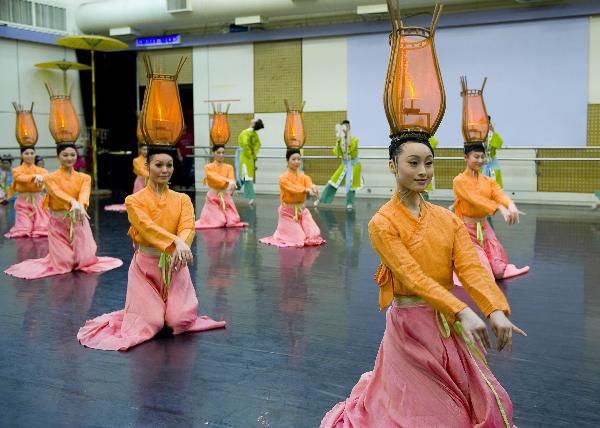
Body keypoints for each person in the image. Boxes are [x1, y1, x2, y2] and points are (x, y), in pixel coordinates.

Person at [320, 135, 526, 428]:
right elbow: (411, 275)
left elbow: (471, 268)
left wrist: (495, 310)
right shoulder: (382, 223)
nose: (423, 171)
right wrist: (462, 310)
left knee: (482, 400)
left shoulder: (446, 219)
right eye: (413, 163)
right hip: (410, 331)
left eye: (428, 164)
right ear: (392, 166)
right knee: (428, 413)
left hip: (446, 322)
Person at [77, 146, 226, 351]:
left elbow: (187, 226)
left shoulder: (182, 199)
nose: (165, 170)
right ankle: (151, 309)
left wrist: (181, 243)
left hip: (175, 265)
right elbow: (146, 227)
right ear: (147, 166)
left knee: (178, 321)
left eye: (169, 165)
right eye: (159, 165)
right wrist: (176, 242)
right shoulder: (134, 200)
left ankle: (168, 308)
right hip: (146, 268)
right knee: (153, 323)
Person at [4, 143, 123, 279]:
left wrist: (80, 204)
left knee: (85, 260)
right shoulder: (49, 177)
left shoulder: (84, 177)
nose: (69, 158)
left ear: (76, 156)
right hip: (58, 221)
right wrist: (72, 202)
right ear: (58, 156)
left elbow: (84, 192)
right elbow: (55, 192)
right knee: (64, 263)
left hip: (77, 218)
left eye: (72, 155)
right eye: (65, 155)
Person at [453, 143, 529, 279]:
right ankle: (457, 269)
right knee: (484, 275)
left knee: (499, 271)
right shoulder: (459, 181)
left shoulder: (488, 181)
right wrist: (499, 207)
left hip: (484, 228)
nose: (480, 160)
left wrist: (510, 205)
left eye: (483, 157)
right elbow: (475, 199)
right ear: (466, 158)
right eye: (476, 157)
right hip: (466, 230)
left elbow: (499, 194)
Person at [260, 149, 325, 248]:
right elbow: (293, 189)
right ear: (287, 160)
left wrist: (313, 188)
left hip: (301, 211)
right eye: (293, 159)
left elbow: (309, 183)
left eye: (299, 159)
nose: (297, 162)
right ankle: (281, 232)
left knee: (314, 234)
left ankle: (290, 230)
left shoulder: (304, 177)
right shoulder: (283, 178)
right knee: (300, 238)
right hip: (287, 213)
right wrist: (306, 190)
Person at [195, 144, 247, 229]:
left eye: (223, 153)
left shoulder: (229, 167)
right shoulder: (208, 167)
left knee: (233, 220)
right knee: (220, 221)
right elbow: (214, 176)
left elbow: (231, 179)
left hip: (225, 196)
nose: (221, 155)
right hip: (213, 197)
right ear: (213, 153)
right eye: (218, 152)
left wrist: (232, 185)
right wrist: (228, 181)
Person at [315, 120, 363, 210]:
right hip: (344, 164)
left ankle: (349, 203)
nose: (345, 129)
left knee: (350, 184)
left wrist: (346, 136)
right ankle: (321, 199)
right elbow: (337, 153)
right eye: (344, 127)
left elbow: (350, 147)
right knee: (333, 181)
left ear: (349, 128)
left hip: (354, 165)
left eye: (347, 127)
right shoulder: (340, 140)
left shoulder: (354, 139)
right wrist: (338, 141)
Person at [4, 146, 50, 238]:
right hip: (23, 202)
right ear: (22, 155)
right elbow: (20, 178)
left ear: (35, 154)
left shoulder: (43, 171)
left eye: (32, 153)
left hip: (38, 201)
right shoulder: (16, 170)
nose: (29, 155)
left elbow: (46, 177)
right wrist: (34, 177)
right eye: (26, 153)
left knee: (42, 227)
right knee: (24, 229)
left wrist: (41, 178)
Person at [104, 143, 149, 212]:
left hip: (149, 180)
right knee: (139, 196)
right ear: (140, 150)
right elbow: (140, 170)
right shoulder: (136, 160)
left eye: (146, 149)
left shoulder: (150, 160)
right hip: (140, 180)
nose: (145, 151)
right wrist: (150, 175)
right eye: (144, 149)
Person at [236, 118, 264, 207]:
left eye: (254, 120)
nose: (252, 119)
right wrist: (253, 154)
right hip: (249, 158)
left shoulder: (246, 133)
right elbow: (258, 144)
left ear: (253, 124)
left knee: (246, 176)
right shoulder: (253, 134)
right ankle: (235, 189)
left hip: (244, 156)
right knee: (245, 176)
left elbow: (245, 144)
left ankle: (249, 195)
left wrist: (249, 153)